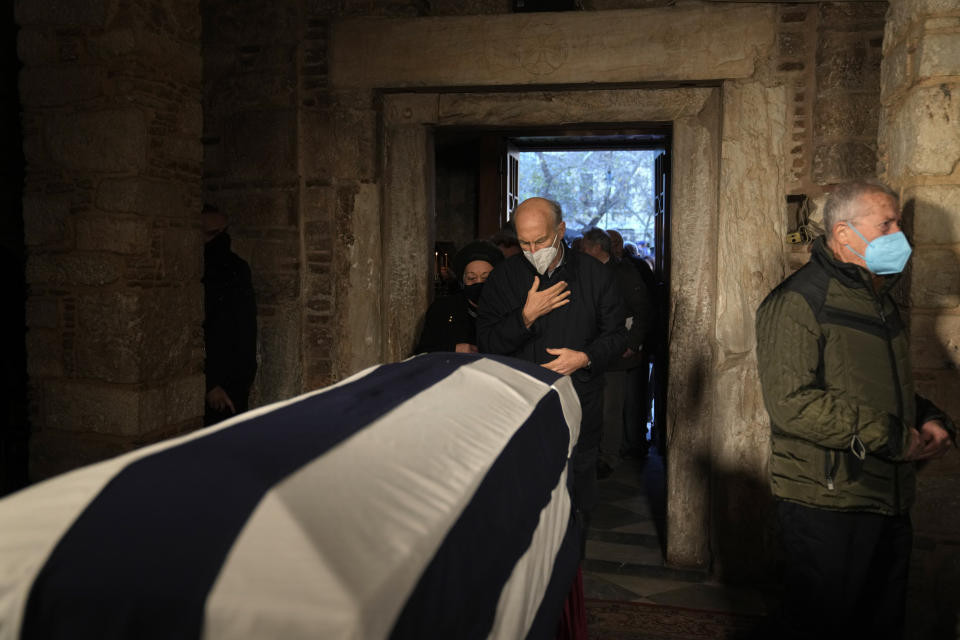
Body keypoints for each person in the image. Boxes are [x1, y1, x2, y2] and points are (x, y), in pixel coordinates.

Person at [755, 180, 955, 639]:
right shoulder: (797, 302)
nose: (898, 234)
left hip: (886, 495)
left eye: (898, 222)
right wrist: (891, 435)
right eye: (886, 223)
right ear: (843, 234)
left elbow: (883, 388)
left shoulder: (877, 299)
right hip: (828, 501)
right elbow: (792, 404)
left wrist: (928, 419)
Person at [477, 198, 626, 524]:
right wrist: (525, 318)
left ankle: (572, 568)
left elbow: (617, 338)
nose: (533, 250)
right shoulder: (504, 278)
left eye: (540, 241)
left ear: (560, 230)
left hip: (579, 403)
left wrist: (585, 358)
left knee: (576, 502)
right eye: (524, 242)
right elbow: (487, 343)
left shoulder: (595, 276)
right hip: (520, 407)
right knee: (524, 503)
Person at [579, 228, 652, 477]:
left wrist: (632, 343)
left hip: (615, 350)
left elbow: (642, 309)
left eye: (586, 247)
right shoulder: (582, 271)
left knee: (611, 407)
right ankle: (591, 452)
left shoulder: (624, 272)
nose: (582, 251)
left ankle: (608, 457)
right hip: (588, 351)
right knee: (590, 405)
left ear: (598, 248)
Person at [202, 205, 258, 426]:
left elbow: (238, 328)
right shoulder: (205, 269)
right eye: (212, 234)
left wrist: (218, 382)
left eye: (223, 232)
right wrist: (211, 383)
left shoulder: (234, 269)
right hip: (218, 382)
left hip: (231, 381)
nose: (220, 240)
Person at [415, 240, 503, 354]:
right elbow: (422, 353)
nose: (479, 282)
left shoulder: (507, 311)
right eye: (472, 278)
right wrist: (453, 349)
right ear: (463, 281)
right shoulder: (443, 309)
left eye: (486, 278)